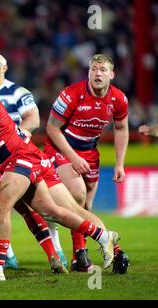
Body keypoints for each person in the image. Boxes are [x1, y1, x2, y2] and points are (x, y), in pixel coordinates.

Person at [0, 62, 118, 281]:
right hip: (16, 162)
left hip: (22, 157)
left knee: (1, 204)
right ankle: (103, 236)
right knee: (50, 211)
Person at [0, 50, 67, 269]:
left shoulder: (18, 92)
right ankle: (7, 255)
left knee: (40, 205)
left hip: (17, 156)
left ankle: (56, 249)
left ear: (4, 67)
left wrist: (13, 137)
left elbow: (33, 118)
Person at [44, 54, 130, 272]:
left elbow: (121, 129)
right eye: (93, 69)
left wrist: (120, 164)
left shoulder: (118, 99)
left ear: (112, 74)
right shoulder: (71, 94)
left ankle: (78, 257)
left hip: (90, 152)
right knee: (78, 194)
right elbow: (52, 128)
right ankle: (107, 245)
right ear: (88, 72)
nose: (97, 73)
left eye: (102, 70)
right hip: (61, 149)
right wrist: (73, 157)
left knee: (86, 206)